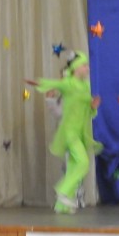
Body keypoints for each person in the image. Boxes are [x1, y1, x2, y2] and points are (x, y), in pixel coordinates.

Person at [32, 51, 101, 214]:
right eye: (84, 65)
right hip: (70, 132)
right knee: (83, 163)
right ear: (76, 68)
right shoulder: (68, 83)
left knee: (73, 168)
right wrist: (40, 83)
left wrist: (92, 107)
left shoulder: (85, 86)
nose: (87, 68)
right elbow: (53, 83)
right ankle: (62, 191)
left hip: (80, 133)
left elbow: (86, 110)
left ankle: (61, 205)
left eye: (87, 65)